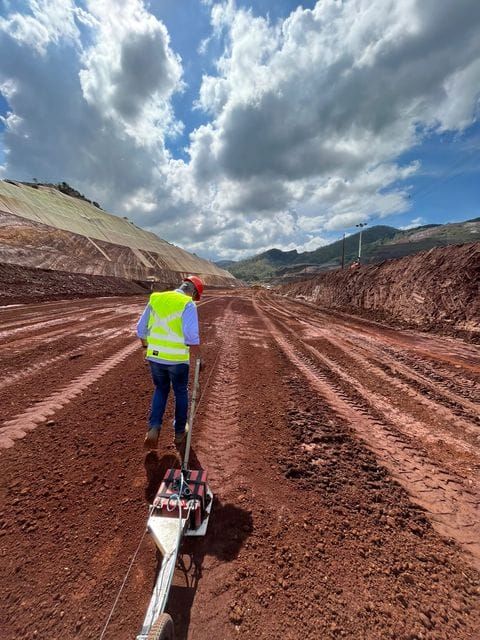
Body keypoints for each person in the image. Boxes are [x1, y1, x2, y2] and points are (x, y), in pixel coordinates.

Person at [136, 276, 204, 450]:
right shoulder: (188, 303)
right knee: (181, 392)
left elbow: (140, 329)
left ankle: (153, 428)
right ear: (194, 291)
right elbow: (190, 334)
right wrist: (199, 358)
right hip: (177, 360)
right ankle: (180, 432)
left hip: (155, 357)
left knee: (161, 389)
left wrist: (145, 348)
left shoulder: (156, 298)